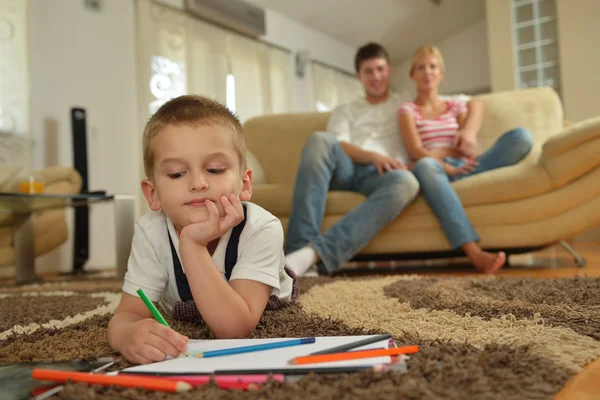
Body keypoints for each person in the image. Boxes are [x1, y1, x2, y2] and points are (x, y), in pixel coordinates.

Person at [107, 95, 296, 364]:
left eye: (215, 170)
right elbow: (127, 314)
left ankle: (289, 264)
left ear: (244, 184)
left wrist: (192, 246)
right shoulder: (150, 231)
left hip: (258, 298)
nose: (198, 183)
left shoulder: (261, 228)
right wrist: (126, 334)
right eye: (176, 174)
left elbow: (234, 329)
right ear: (152, 194)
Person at [284, 42, 484, 277]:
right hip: (346, 168)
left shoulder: (407, 103)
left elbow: (473, 101)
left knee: (408, 183)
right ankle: (296, 250)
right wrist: (373, 156)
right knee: (320, 139)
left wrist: (468, 131)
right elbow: (340, 144)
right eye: (368, 71)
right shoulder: (346, 109)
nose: (376, 76)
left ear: (389, 70)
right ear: (359, 76)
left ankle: (309, 257)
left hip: (386, 175)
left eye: (380, 69)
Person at [398, 45, 534, 274]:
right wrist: (444, 161)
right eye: (420, 67)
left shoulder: (455, 106)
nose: (427, 72)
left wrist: (458, 151)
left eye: (433, 66)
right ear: (412, 75)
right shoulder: (407, 110)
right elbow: (415, 150)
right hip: (434, 172)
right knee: (425, 165)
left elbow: (463, 148)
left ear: (441, 72)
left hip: (465, 168)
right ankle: (474, 252)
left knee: (521, 137)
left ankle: (449, 182)